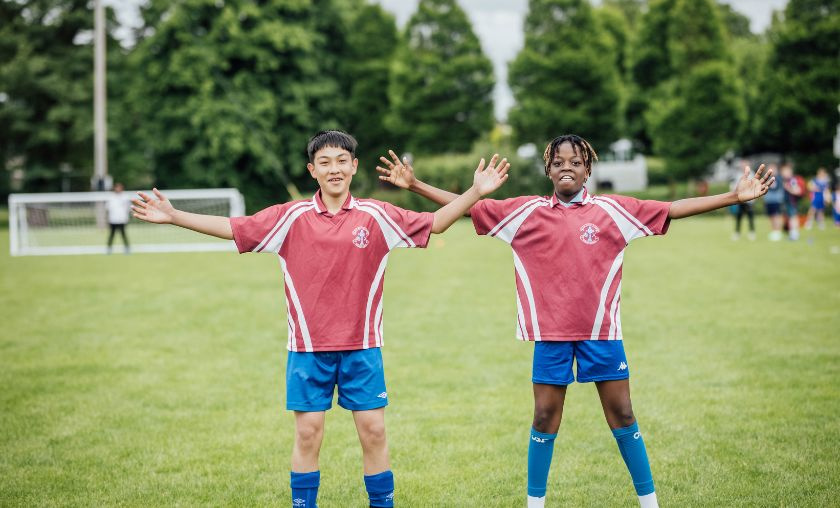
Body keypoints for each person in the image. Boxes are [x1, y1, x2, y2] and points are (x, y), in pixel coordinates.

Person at [377, 135, 774, 508]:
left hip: (602, 335)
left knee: (622, 413)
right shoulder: (524, 213)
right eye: (559, 161)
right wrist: (415, 185)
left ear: (588, 170)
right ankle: (535, 504)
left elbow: (671, 210)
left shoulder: (613, 211)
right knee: (545, 418)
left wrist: (734, 197)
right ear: (548, 169)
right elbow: (470, 207)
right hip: (549, 337)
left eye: (577, 162)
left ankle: (649, 502)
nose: (567, 167)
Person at [131, 130, 509, 508]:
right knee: (309, 434)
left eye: (342, 161)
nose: (334, 169)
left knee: (374, 432)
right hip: (308, 350)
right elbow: (234, 228)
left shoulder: (377, 215)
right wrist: (175, 216)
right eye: (325, 163)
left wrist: (475, 191)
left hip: (362, 348)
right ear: (312, 170)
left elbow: (436, 223)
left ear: (354, 166)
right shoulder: (290, 217)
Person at [730, 160, 756, 241]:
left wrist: (753, 198)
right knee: (739, 216)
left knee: (750, 216)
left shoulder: (752, 174)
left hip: (749, 200)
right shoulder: (738, 174)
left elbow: (754, 186)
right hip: (740, 200)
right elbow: (734, 185)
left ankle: (752, 232)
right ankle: (737, 233)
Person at [780, 163, 805, 240]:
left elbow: (797, 191)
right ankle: (792, 234)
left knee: (793, 218)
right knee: (790, 218)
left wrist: (788, 188)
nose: (783, 173)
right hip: (787, 202)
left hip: (792, 202)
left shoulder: (793, 180)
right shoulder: (785, 180)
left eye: (785, 171)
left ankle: (794, 235)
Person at [106, 182, 131, 254]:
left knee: (123, 234)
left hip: (122, 219)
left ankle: (127, 248)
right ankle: (109, 249)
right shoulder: (111, 197)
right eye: (117, 187)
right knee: (111, 234)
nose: (118, 189)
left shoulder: (125, 197)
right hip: (113, 219)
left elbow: (128, 208)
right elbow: (108, 208)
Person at [762, 164, 785, 241]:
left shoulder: (778, 178)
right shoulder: (766, 179)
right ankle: (774, 231)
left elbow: (776, 188)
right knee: (771, 216)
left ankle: (777, 231)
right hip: (768, 200)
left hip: (776, 200)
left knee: (776, 216)